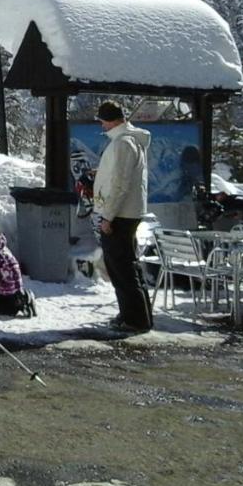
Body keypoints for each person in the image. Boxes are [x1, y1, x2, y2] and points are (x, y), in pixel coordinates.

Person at [91, 100, 153, 332]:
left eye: (103, 121)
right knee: (124, 265)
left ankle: (135, 319)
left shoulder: (123, 143)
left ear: (111, 120)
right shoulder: (127, 141)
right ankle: (132, 314)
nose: (103, 126)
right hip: (126, 212)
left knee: (122, 267)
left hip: (120, 214)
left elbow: (120, 184)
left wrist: (108, 216)